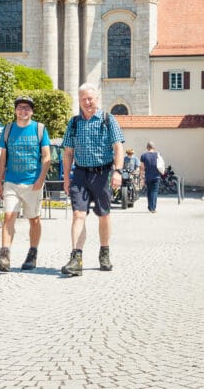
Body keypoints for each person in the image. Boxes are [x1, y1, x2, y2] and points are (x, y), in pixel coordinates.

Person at [60, 83, 125, 276]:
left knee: (104, 214)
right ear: (79, 101)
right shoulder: (73, 123)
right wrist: (66, 178)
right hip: (80, 174)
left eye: (90, 98)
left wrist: (117, 171)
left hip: (103, 173)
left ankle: (104, 252)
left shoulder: (108, 119)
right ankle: (76, 258)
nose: (87, 102)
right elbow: (68, 153)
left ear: (97, 99)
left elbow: (118, 147)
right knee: (78, 215)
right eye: (83, 99)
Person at [0, 95, 51, 272]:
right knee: (9, 216)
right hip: (11, 181)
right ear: (16, 110)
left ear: (31, 111)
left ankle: (32, 254)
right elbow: (3, 158)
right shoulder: (8, 129)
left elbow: (46, 157)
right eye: (20, 107)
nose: (23, 110)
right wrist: (0, 182)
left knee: (34, 219)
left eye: (26, 108)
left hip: (33, 182)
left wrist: (40, 179)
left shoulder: (39, 129)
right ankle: (5, 256)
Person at [141, 142, 163, 214]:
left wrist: (142, 178)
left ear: (147, 147)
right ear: (154, 148)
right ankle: (153, 208)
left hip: (148, 176)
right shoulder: (157, 155)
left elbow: (142, 168)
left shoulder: (143, 156)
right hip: (156, 176)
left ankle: (150, 207)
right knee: (154, 192)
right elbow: (161, 164)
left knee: (149, 191)